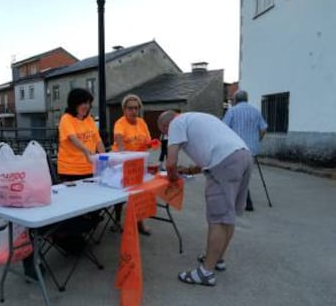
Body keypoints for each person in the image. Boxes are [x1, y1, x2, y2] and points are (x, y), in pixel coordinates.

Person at [157, 110, 253, 287]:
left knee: (217, 219)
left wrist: (172, 178)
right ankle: (218, 259)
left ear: (165, 126)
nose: (167, 136)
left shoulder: (176, 124)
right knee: (227, 215)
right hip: (244, 156)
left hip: (226, 162)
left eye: (164, 133)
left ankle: (206, 273)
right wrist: (189, 170)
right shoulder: (197, 117)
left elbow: (170, 162)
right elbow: (209, 151)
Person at [23, 88, 105, 279]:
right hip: (70, 169)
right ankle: (64, 236)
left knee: (93, 205)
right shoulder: (66, 119)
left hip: (89, 168)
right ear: (75, 102)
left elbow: (97, 139)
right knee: (74, 206)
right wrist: (87, 151)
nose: (86, 106)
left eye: (88, 102)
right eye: (83, 102)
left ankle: (73, 236)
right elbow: (73, 139)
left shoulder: (90, 120)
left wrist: (105, 156)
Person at [111, 94, 152, 235]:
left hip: (138, 163)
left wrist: (152, 144)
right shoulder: (120, 123)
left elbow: (147, 141)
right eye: (130, 108)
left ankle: (140, 222)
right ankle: (117, 220)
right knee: (120, 195)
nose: (133, 111)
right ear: (124, 109)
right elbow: (120, 140)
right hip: (122, 163)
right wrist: (125, 156)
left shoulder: (142, 123)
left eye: (136, 108)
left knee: (139, 193)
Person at [223, 89, 268, 211]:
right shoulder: (256, 111)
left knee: (236, 175)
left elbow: (224, 129)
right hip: (252, 149)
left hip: (236, 149)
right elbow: (263, 128)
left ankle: (245, 202)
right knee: (244, 174)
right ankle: (244, 200)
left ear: (236, 100)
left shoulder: (232, 111)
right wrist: (257, 140)